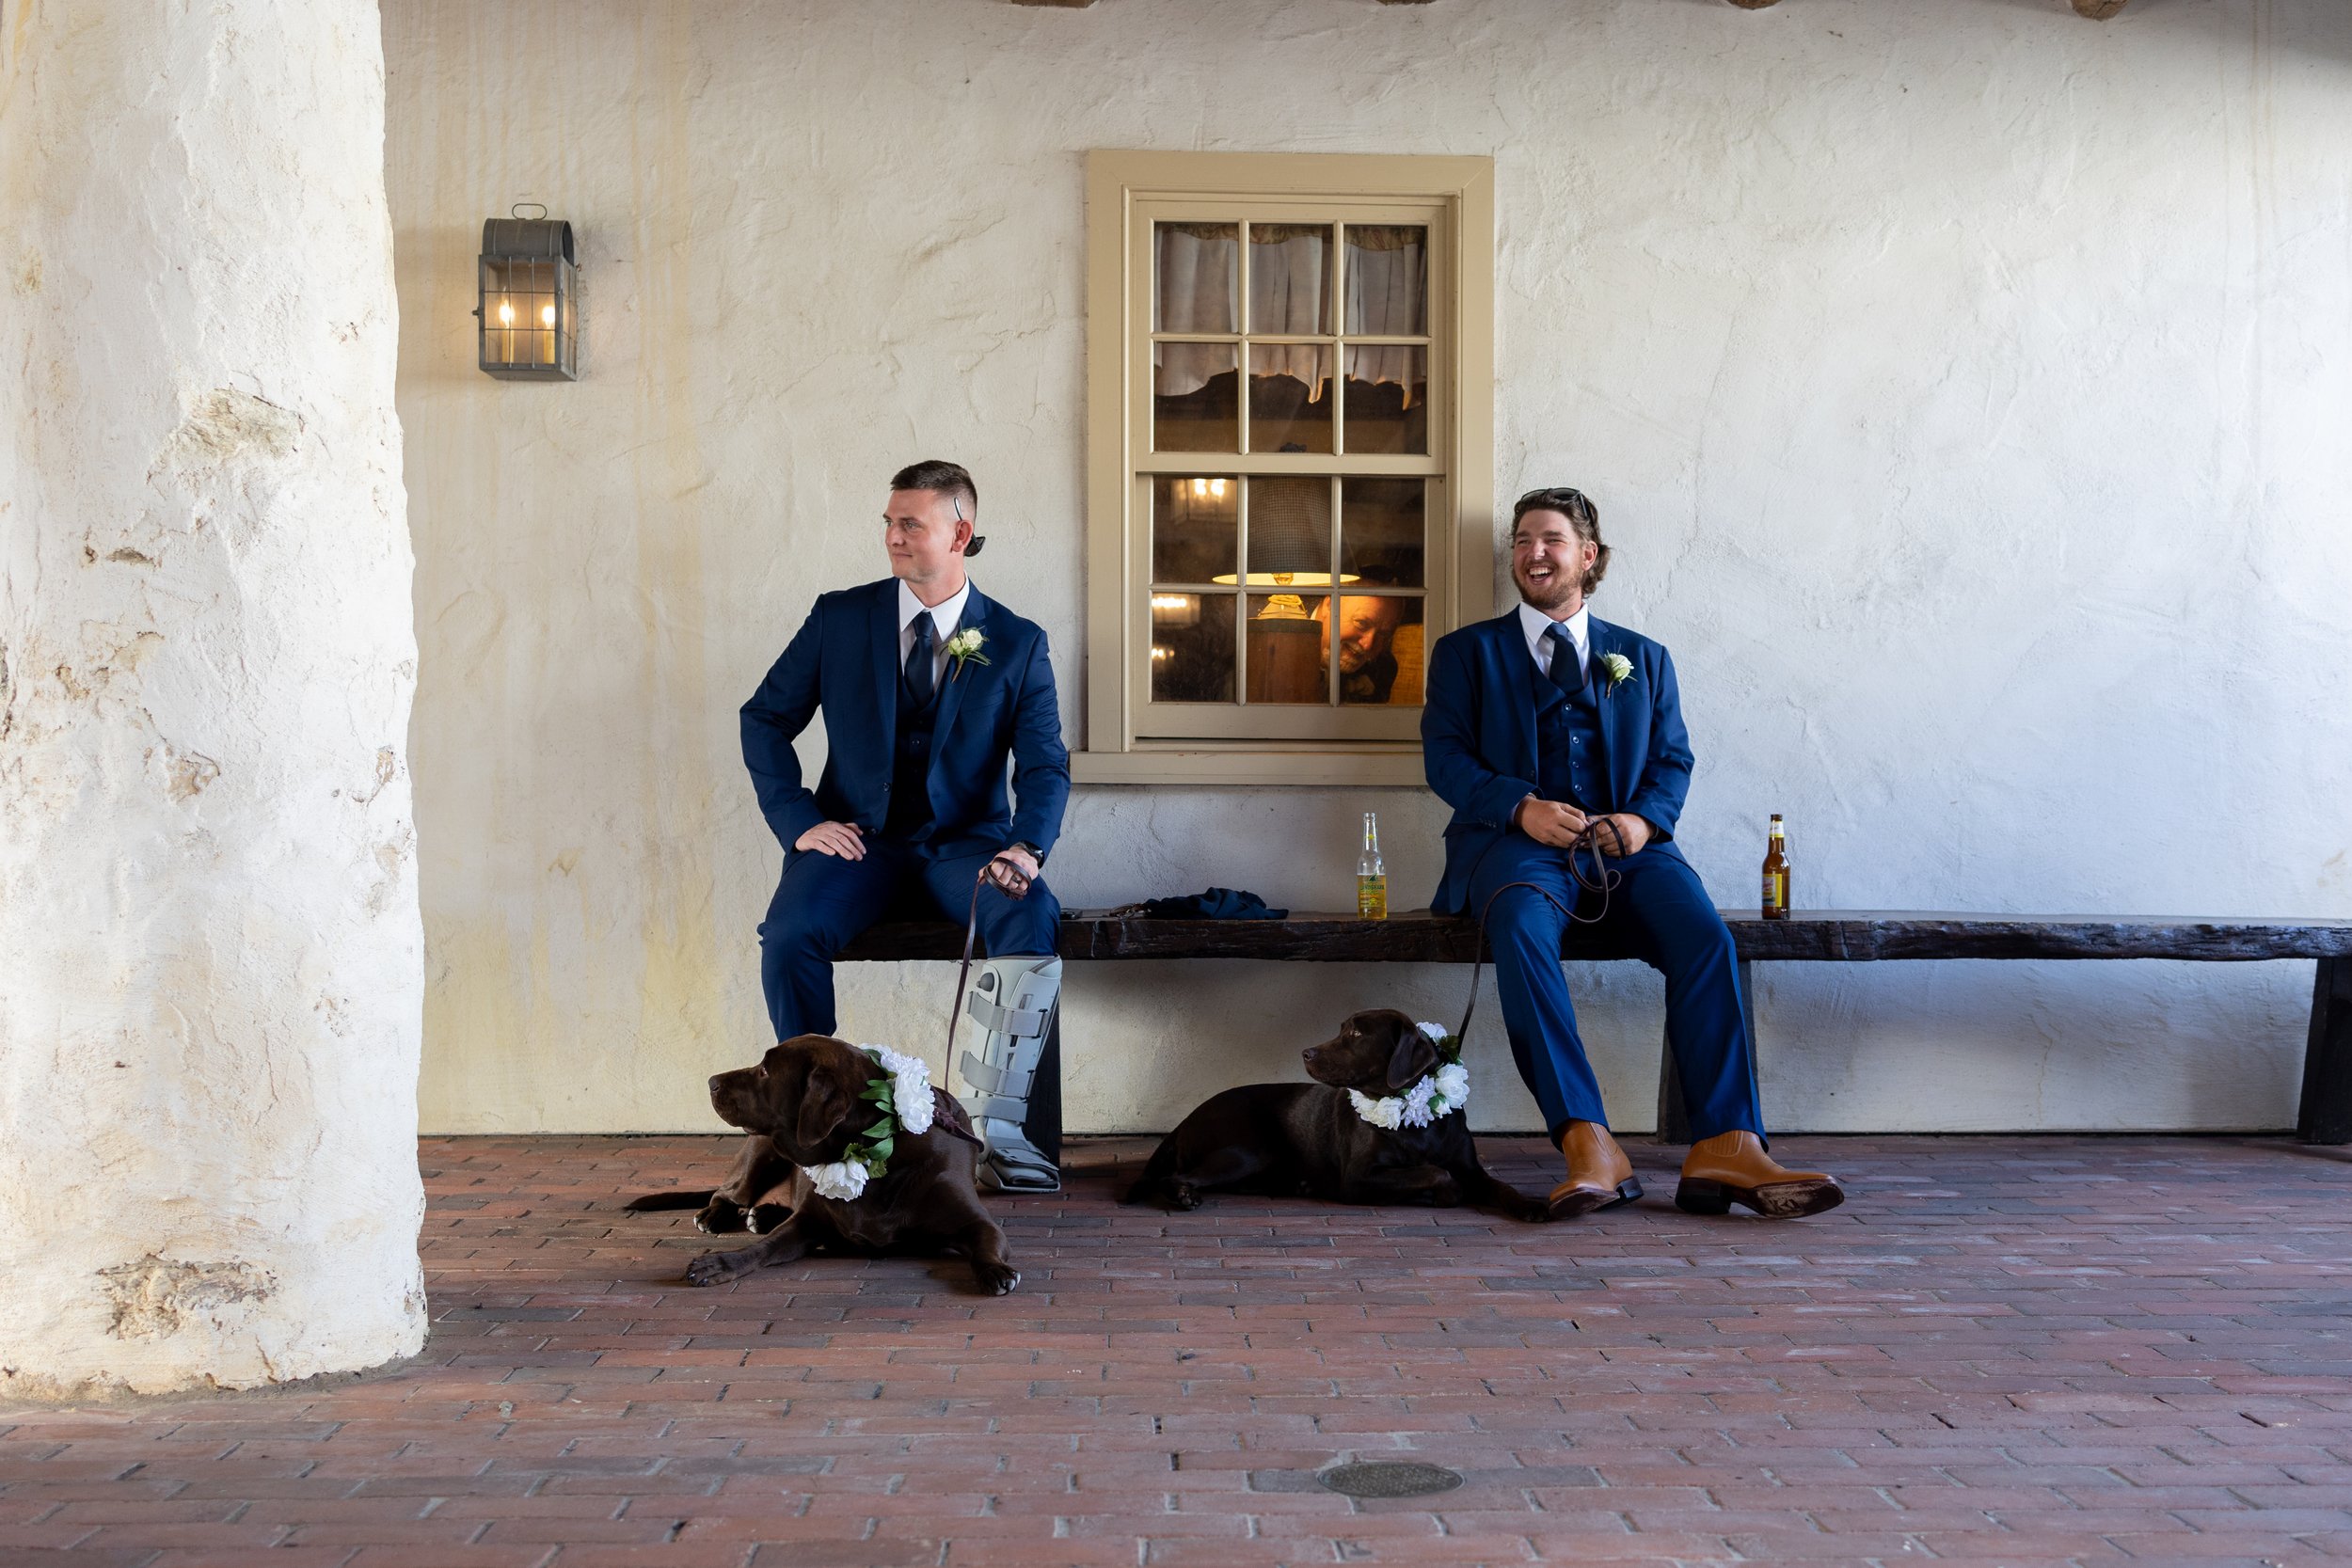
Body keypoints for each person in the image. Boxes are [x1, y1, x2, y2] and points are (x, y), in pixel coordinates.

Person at [1420, 487, 1842, 1221]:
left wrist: (1644, 823)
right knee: (1519, 929)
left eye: (1550, 538)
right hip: (1516, 851)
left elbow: (1673, 759)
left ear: (1588, 555)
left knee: (1704, 934)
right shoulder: (1466, 653)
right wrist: (1520, 805)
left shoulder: (1643, 657)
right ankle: (1587, 1139)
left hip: (1629, 852)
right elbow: (1445, 759)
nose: (1533, 552)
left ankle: (1726, 1143)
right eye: (1522, 540)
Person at [740, 460, 1070, 1192]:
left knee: (1030, 911)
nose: (891, 535)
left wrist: (1026, 846)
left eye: (909, 522)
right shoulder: (840, 618)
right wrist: (801, 821)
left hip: (966, 849)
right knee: (790, 934)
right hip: (860, 844)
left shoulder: (1014, 642)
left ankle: (1014, 1139)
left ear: (960, 531)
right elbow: (763, 718)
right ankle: (806, 1132)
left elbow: (1045, 763)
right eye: (889, 521)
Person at [1313, 590, 1406, 704]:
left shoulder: (1382, 668)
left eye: (1383, 634)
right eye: (1362, 623)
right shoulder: (1287, 620)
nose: (1368, 645)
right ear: (1329, 605)